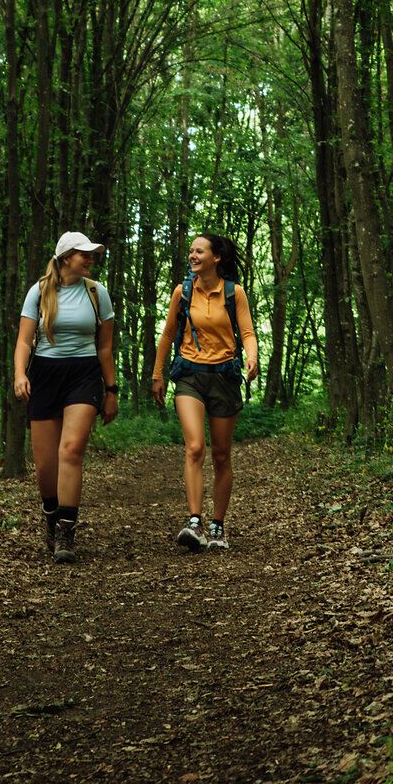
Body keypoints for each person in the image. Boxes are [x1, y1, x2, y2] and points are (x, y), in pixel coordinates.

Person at [13, 231, 118, 564]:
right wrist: (20, 374)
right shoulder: (40, 291)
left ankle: (66, 533)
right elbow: (25, 341)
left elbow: (104, 347)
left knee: (70, 450)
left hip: (84, 375)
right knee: (46, 466)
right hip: (45, 374)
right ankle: (50, 515)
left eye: (91, 254)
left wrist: (111, 390)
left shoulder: (97, 293)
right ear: (65, 258)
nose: (90, 259)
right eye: (83, 254)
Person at [151, 233, 259, 551]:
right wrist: (158, 374)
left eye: (200, 251)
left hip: (224, 376)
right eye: (191, 251)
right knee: (195, 446)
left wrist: (251, 357)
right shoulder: (182, 292)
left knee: (222, 456)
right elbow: (169, 333)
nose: (193, 255)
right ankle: (195, 521)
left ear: (216, 258)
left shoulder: (233, 293)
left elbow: (248, 332)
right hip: (190, 376)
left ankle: (218, 526)